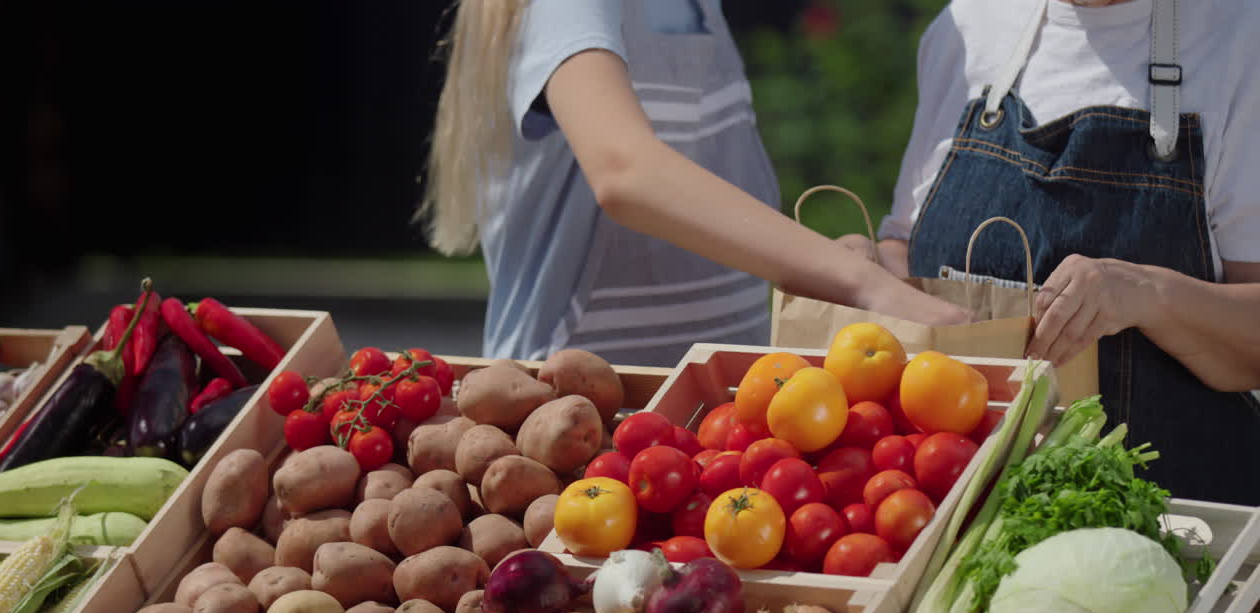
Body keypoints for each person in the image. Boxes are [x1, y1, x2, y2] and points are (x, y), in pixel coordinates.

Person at [417, 0, 969, 368]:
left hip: (687, 425)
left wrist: (825, 266)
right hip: (580, 428)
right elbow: (624, 172)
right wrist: (858, 283)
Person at [871, 0, 1260, 503]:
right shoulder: (968, 25)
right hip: (956, 524)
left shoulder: (1241, 38)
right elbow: (907, 252)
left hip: (1177, 530)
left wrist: (1148, 294)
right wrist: (865, 267)